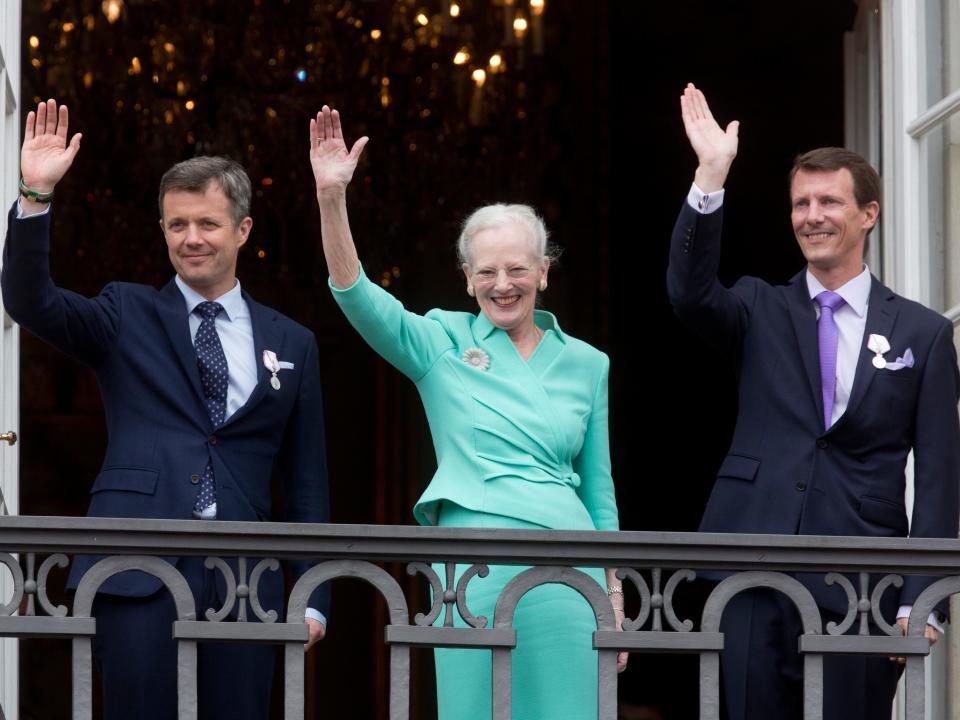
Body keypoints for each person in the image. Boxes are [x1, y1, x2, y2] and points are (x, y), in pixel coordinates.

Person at [1, 99, 331, 720]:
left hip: (245, 582)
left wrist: (313, 593)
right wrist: (36, 195)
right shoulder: (126, 312)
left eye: (207, 223)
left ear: (243, 230)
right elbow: (29, 300)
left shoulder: (292, 342)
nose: (191, 239)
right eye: (176, 225)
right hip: (134, 573)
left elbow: (306, 480)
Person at [309, 105, 624, 718]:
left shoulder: (589, 363)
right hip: (477, 567)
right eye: (486, 272)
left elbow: (599, 489)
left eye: (517, 269)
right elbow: (358, 297)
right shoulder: (442, 342)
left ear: (544, 271)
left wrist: (612, 588)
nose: (502, 284)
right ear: (466, 279)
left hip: (570, 573)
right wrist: (331, 198)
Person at [668, 83, 960, 720]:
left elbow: (939, 476)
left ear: (869, 214)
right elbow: (689, 294)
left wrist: (923, 597)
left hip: (860, 581)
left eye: (829, 200)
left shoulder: (923, 334)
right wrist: (710, 177)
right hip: (748, 566)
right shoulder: (756, 306)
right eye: (800, 203)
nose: (812, 215)